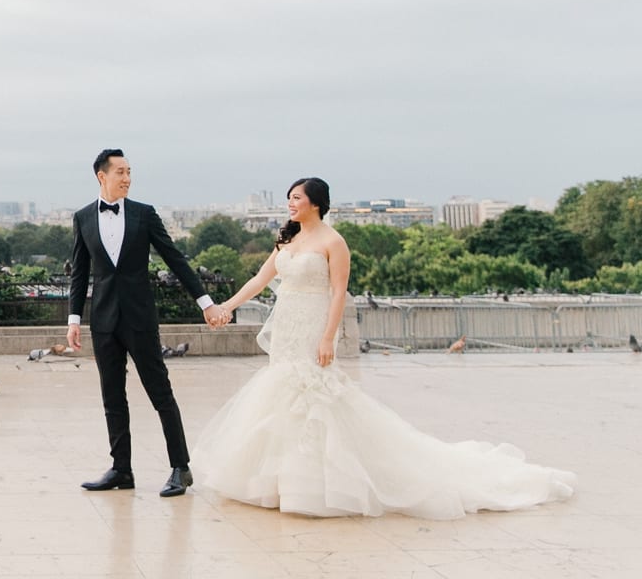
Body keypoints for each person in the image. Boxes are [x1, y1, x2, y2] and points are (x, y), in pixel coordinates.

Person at [194, 177, 576, 518]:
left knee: (315, 394)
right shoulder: (288, 239)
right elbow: (261, 278)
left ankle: (317, 483)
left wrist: (328, 337)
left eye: (296, 198)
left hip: (312, 322)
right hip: (287, 325)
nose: (290, 204)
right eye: (289, 198)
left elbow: (338, 291)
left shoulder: (333, 241)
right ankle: (280, 480)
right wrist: (228, 306)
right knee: (282, 394)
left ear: (315, 203)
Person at [67, 149, 228, 497]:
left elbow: (175, 259)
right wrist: (73, 319)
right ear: (102, 176)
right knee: (112, 397)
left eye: (129, 171)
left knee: (160, 393)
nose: (127, 178)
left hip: (139, 318)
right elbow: (80, 274)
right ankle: (121, 469)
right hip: (104, 322)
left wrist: (206, 302)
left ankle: (180, 467)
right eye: (121, 172)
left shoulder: (144, 214)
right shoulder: (82, 218)